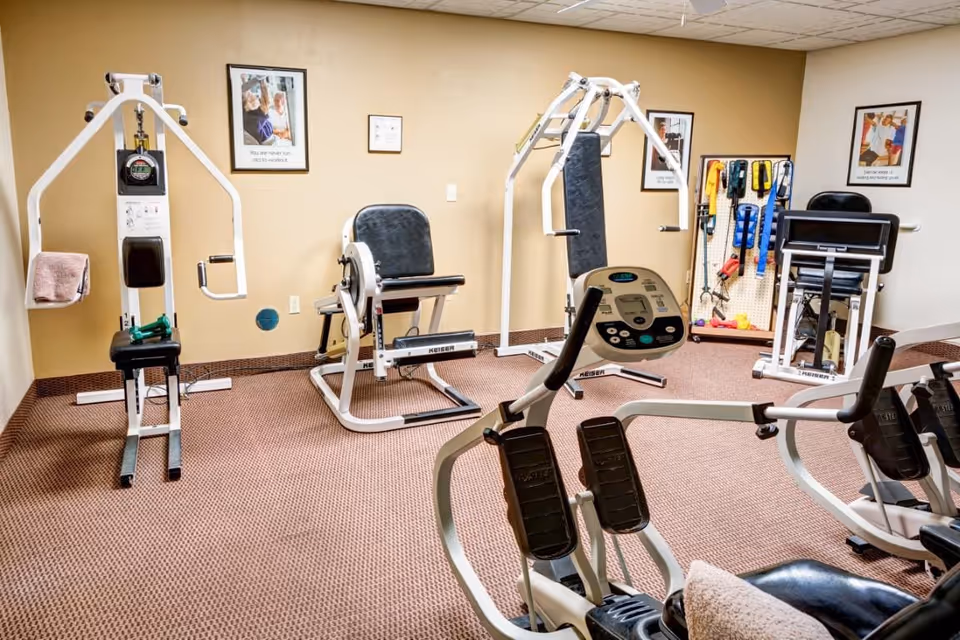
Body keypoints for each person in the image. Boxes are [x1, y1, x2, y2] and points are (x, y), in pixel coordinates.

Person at [242, 76, 273, 145]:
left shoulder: (246, 113)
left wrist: (244, 79)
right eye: (254, 99)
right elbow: (266, 101)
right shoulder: (256, 117)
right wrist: (262, 81)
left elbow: (247, 92)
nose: (253, 97)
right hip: (268, 143)